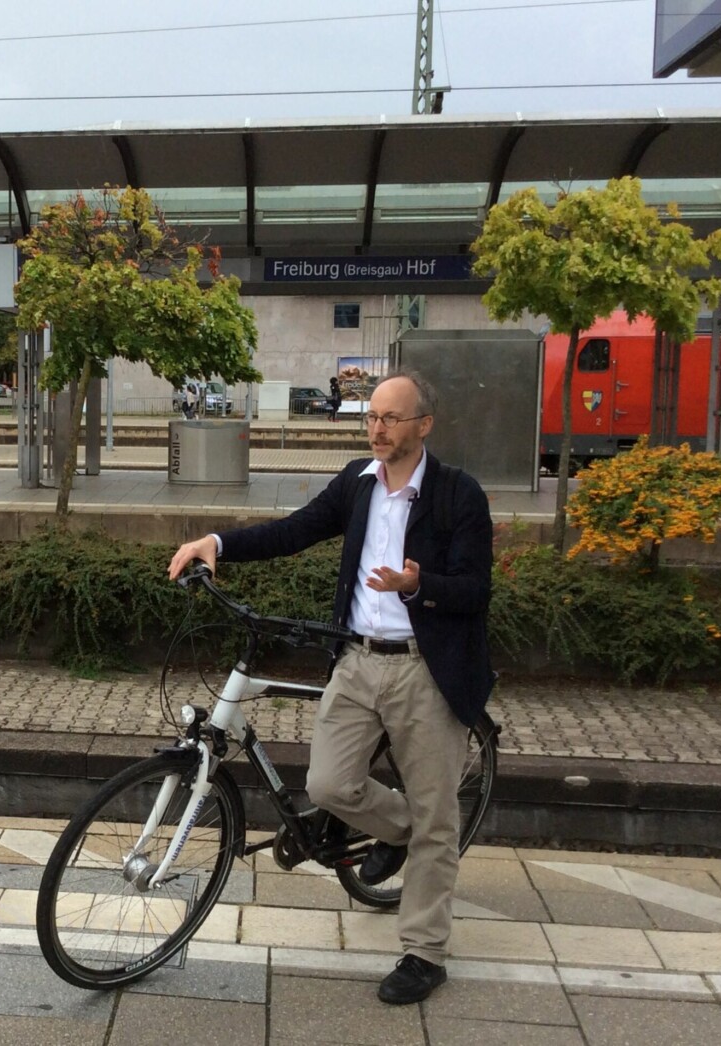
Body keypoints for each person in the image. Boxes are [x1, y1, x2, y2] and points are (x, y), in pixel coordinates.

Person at [168, 371, 492, 1006]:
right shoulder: (357, 482)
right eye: (372, 416)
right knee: (328, 785)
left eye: (391, 418)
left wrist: (416, 586)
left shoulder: (458, 496)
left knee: (437, 815)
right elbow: (296, 530)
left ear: (423, 425)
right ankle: (400, 831)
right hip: (358, 661)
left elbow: (476, 591)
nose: (377, 427)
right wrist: (217, 543)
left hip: (427, 668)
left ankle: (424, 952)